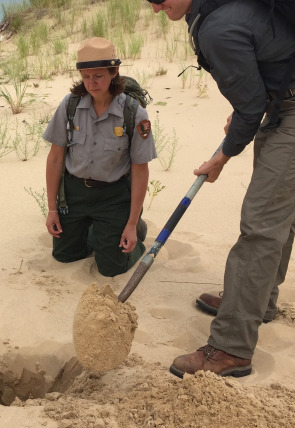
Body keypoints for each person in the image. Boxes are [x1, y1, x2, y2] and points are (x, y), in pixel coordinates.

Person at [148, 0, 295, 377]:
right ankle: (257, 304)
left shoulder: (216, 27)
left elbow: (249, 111)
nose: (153, 8)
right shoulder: (217, 10)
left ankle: (231, 347)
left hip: (288, 111)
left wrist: (222, 157)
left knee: (261, 223)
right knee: (278, 214)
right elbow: (261, 75)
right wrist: (253, 103)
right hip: (281, 103)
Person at [44, 37, 156, 277]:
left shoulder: (133, 112)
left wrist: (132, 224)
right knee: (64, 256)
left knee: (111, 268)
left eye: (99, 76)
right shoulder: (70, 105)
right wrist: (52, 209)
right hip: (74, 194)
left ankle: (127, 231)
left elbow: (140, 169)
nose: (92, 83)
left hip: (113, 196)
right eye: (86, 76)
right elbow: (55, 159)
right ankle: (96, 230)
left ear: (114, 72)